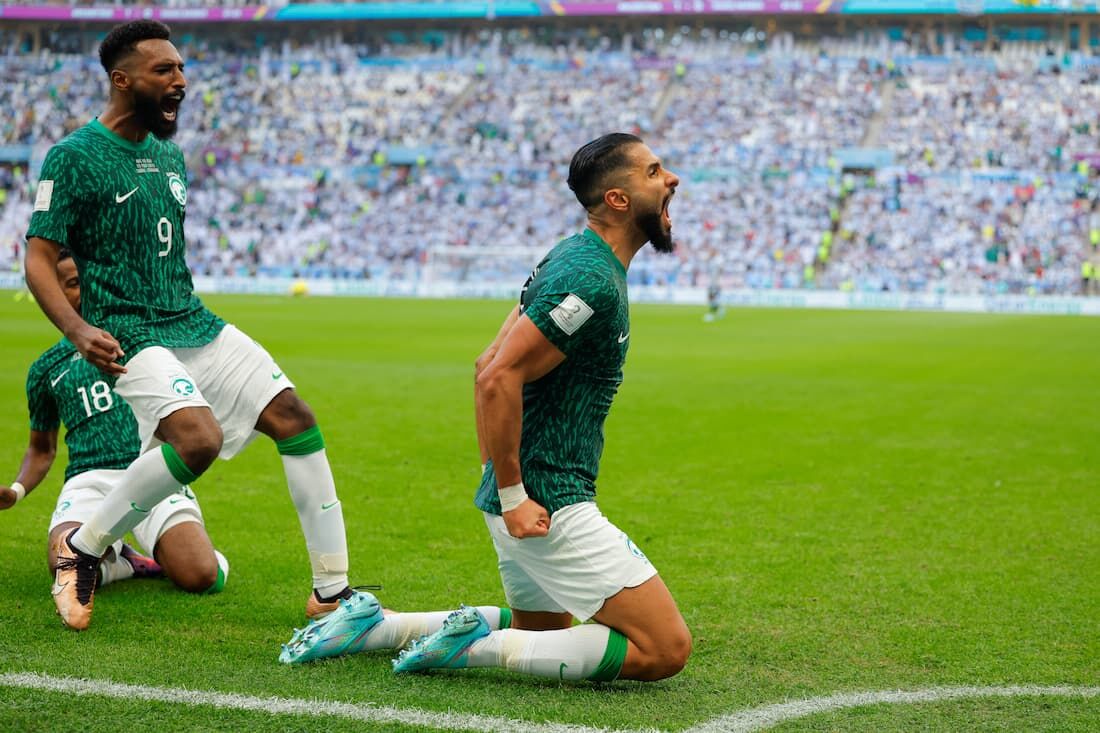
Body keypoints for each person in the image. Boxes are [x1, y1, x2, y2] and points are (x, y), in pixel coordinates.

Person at [285, 133, 692, 683]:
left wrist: (499, 484)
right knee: (665, 648)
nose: (671, 180)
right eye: (654, 171)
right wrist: (515, 495)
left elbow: (485, 365)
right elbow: (499, 374)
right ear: (618, 199)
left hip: (521, 500)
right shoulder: (590, 277)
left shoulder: (570, 255)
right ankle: (472, 649)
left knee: (547, 635)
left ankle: (375, 627)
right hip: (550, 503)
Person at [23, 20, 356, 631]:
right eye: (164, 71)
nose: (181, 81)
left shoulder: (170, 155)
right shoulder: (73, 157)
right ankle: (87, 548)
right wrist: (76, 329)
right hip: (128, 330)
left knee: (295, 419)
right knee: (197, 440)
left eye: (181, 69)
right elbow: (39, 257)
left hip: (192, 320)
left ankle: (332, 595)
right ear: (122, 80)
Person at [2, 249, 227, 600]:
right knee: (63, 563)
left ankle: (144, 551)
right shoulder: (46, 369)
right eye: (74, 284)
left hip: (151, 472)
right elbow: (41, 449)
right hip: (88, 481)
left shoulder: (143, 342)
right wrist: (16, 490)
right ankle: (122, 562)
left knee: (201, 576)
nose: (87, 289)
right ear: (55, 294)